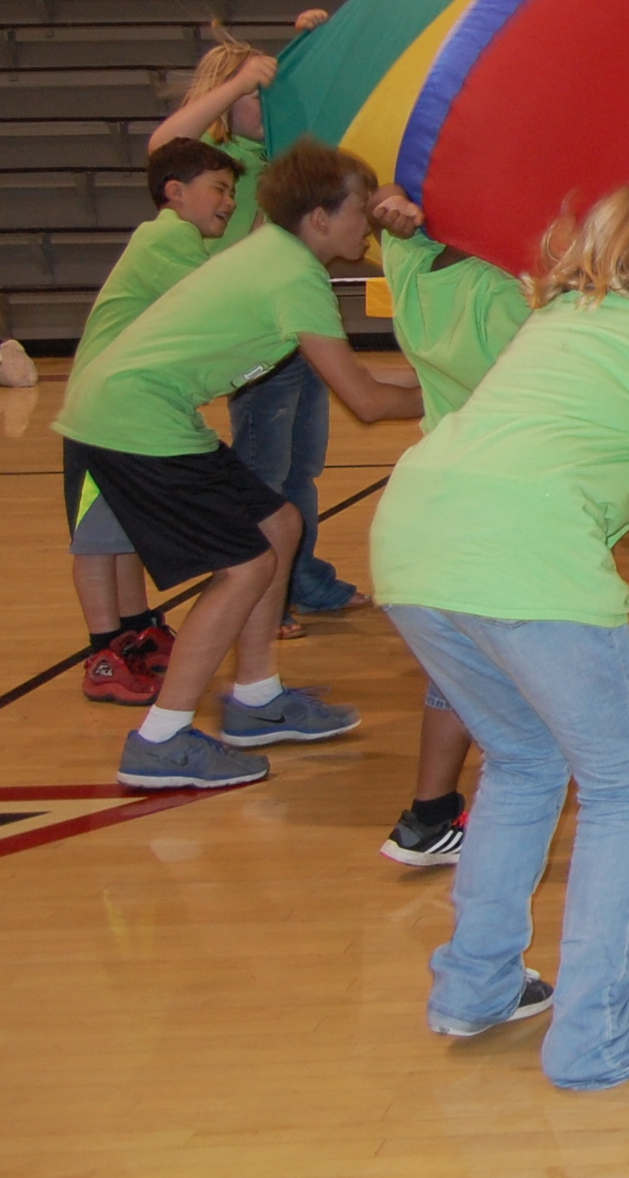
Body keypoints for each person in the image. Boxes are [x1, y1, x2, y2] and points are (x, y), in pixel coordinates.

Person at [371, 181, 629, 1088]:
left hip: (414, 539)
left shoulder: (558, 325)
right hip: (526, 562)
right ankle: (597, 1034)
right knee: (626, 787)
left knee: (523, 761)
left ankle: (475, 988)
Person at [366, 185, 629, 866]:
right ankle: (449, 819)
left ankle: (438, 840)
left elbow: (400, 226)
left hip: (424, 513)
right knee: (622, 784)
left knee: (518, 755)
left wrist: (400, 221)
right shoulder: (540, 309)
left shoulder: (529, 306)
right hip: (522, 529)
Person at [57, 139, 424, 790]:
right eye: (358, 209)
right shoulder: (295, 277)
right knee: (246, 562)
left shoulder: (275, 253)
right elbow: (365, 400)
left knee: (278, 525)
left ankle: (256, 701)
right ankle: (159, 740)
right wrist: (464, 397)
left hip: (133, 407)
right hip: (131, 418)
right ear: (319, 217)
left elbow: (368, 387)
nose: (364, 221)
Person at [151, 19, 365, 628]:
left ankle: (300, 579)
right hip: (255, 337)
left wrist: (314, 47)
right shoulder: (217, 164)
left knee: (301, 467)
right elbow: (166, 142)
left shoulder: (275, 157)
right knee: (263, 471)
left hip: (295, 333)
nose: (263, 102)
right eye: (253, 95)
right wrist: (239, 77)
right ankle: (257, 592)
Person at [70, 137, 241, 707]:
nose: (230, 201)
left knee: (121, 534)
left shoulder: (177, 239)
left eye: (234, 191)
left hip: (123, 414)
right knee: (97, 540)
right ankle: (103, 651)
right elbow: (215, 305)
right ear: (176, 192)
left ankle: (135, 631)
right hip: (102, 414)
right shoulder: (168, 236)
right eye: (219, 188)